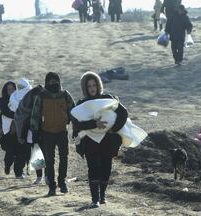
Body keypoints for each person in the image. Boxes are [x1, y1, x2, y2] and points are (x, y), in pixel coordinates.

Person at [71, 71, 128, 208]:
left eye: (94, 85)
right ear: (85, 88)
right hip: (90, 141)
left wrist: (113, 128)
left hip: (107, 140)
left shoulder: (108, 99)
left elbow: (123, 113)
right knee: (93, 168)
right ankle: (94, 198)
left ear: (98, 85)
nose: (92, 88)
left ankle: (102, 195)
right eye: (89, 86)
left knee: (106, 168)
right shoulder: (82, 103)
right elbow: (76, 123)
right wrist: (94, 124)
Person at [30, 72, 75, 196]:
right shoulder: (42, 96)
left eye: (55, 81)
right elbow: (35, 114)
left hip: (62, 132)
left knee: (64, 158)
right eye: (50, 81)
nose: (53, 83)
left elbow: (73, 111)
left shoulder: (65, 95)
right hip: (47, 132)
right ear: (46, 82)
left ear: (59, 81)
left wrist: (76, 128)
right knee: (49, 160)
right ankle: (52, 186)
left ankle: (62, 182)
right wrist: (34, 131)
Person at [14, 84, 46, 184]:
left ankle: (48, 176)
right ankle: (39, 176)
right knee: (36, 154)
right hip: (32, 134)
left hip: (45, 132)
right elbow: (22, 119)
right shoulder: (26, 108)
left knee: (47, 154)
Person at [0, 81, 27, 178]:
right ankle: (7, 165)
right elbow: (5, 112)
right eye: (8, 89)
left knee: (20, 151)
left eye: (12, 89)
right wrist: (18, 116)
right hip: (8, 129)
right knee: (10, 151)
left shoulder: (20, 99)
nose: (10, 91)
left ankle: (18, 172)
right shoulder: (3, 100)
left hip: (19, 128)